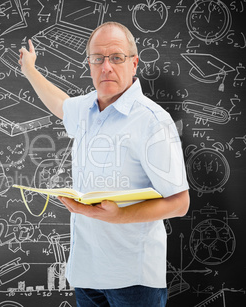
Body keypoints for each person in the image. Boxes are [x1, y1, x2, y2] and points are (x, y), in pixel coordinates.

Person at [19, 21, 190, 307]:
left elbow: (180, 203)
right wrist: (30, 71)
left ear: (134, 63)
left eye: (116, 58)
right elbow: (61, 104)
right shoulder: (86, 107)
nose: (106, 67)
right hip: (87, 275)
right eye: (97, 59)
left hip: (134, 281)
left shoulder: (152, 121)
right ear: (89, 64)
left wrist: (118, 216)